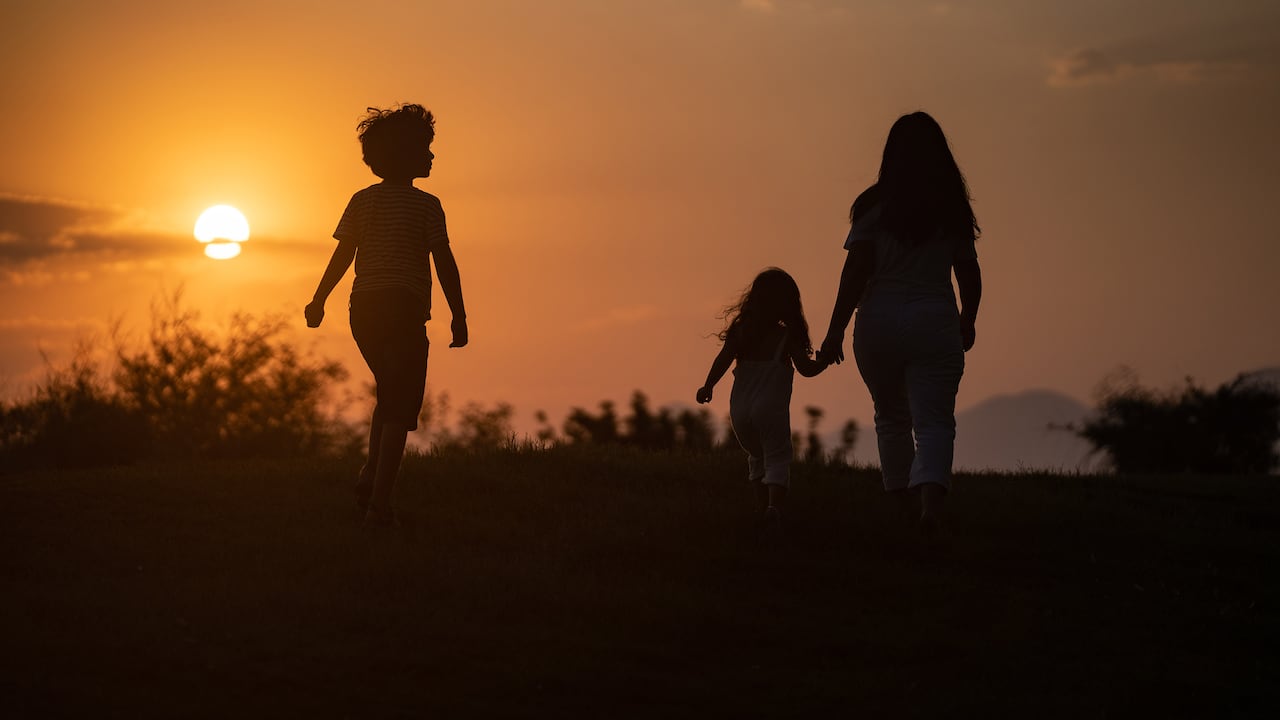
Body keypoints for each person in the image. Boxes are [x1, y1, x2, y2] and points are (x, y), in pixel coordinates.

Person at [818, 111, 982, 537]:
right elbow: (968, 271)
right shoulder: (951, 209)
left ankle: (900, 512)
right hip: (933, 318)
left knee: (890, 417)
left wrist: (835, 330)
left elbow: (854, 273)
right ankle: (930, 509)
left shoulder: (872, 208)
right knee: (933, 421)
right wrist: (969, 317)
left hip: (878, 322)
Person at [305, 103, 468, 527]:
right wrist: (459, 315)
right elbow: (444, 263)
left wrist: (320, 300)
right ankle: (379, 508)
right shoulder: (428, 206)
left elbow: (344, 254)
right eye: (425, 149)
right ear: (406, 155)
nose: (432, 157)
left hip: (363, 312)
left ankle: (369, 477)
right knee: (399, 407)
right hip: (403, 308)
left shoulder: (361, 201)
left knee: (389, 394)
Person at [697, 268, 829, 533]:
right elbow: (806, 369)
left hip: (740, 411)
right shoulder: (785, 336)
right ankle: (774, 509)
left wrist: (708, 384)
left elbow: (723, 359)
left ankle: (761, 511)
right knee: (778, 456)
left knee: (756, 456)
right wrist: (824, 359)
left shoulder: (742, 332)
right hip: (770, 409)